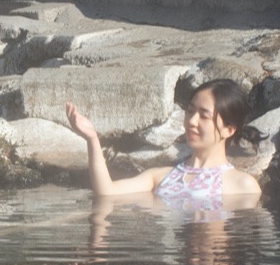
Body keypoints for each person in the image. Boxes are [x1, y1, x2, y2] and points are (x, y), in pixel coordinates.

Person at [65, 78, 264, 210]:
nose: (191, 121)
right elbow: (106, 193)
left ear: (229, 129)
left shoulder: (244, 185)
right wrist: (92, 138)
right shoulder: (160, 176)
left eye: (203, 115)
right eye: (190, 111)